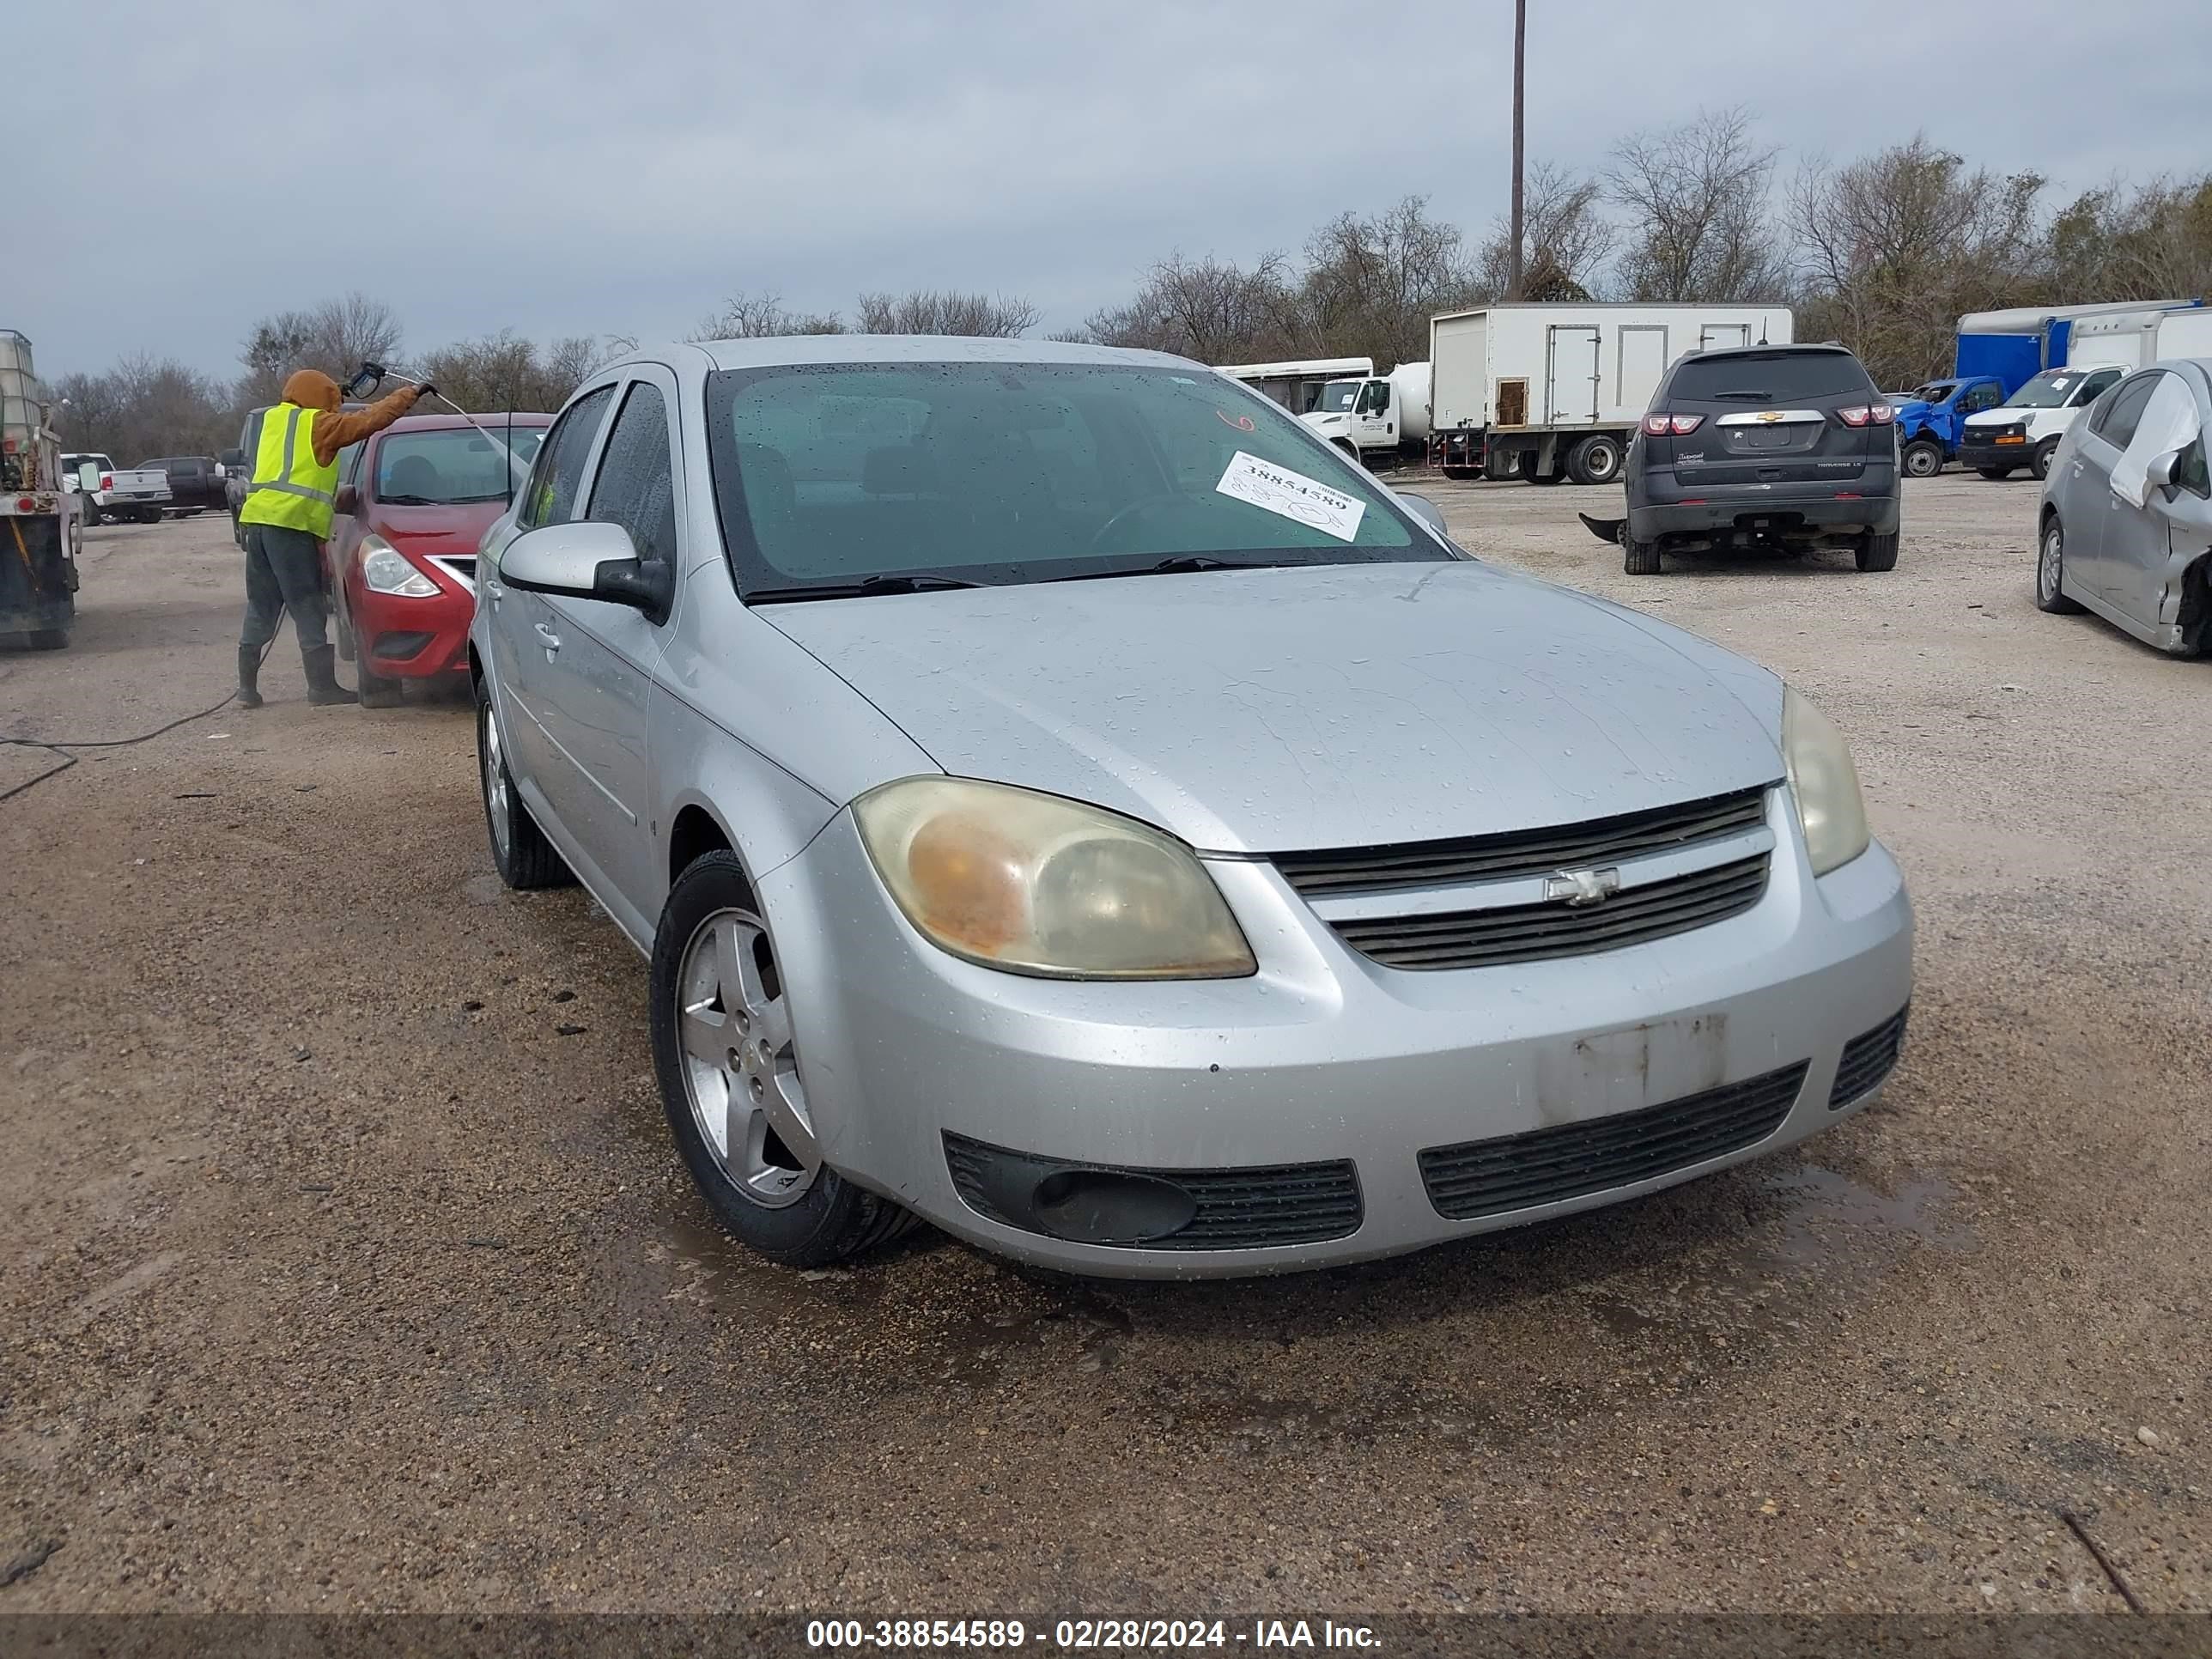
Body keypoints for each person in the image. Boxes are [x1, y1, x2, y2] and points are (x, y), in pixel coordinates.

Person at [235, 369, 428, 708]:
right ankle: (321, 689)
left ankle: (246, 690)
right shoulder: (319, 427)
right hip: (290, 526)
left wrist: (333, 392)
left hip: (258, 524)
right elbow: (370, 420)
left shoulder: (273, 421)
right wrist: (408, 395)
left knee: (261, 605)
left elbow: (311, 415)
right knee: (307, 604)